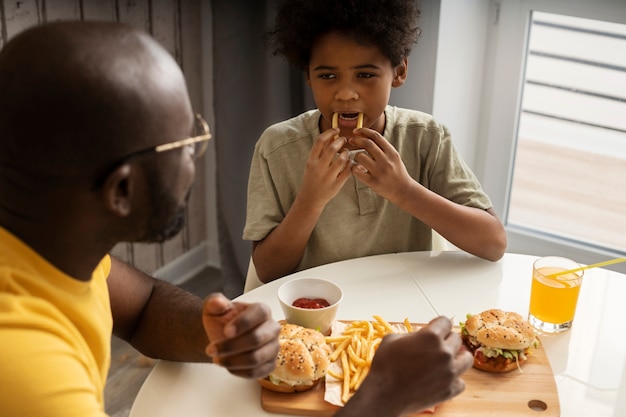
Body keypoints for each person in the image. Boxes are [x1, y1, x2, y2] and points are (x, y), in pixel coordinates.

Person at [0, 21, 472, 417]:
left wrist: (213, 332)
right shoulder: (30, 377)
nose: (196, 158)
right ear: (121, 190)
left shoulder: (46, 246)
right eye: (185, 142)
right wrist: (384, 394)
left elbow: (140, 306)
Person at [244, 0, 508, 283]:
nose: (345, 93)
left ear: (399, 71)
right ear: (308, 74)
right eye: (328, 75)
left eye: (366, 75)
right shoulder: (276, 148)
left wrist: (404, 191)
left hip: (405, 304)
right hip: (317, 312)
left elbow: (493, 243)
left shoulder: (427, 137)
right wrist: (311, 199)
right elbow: (269, 271)